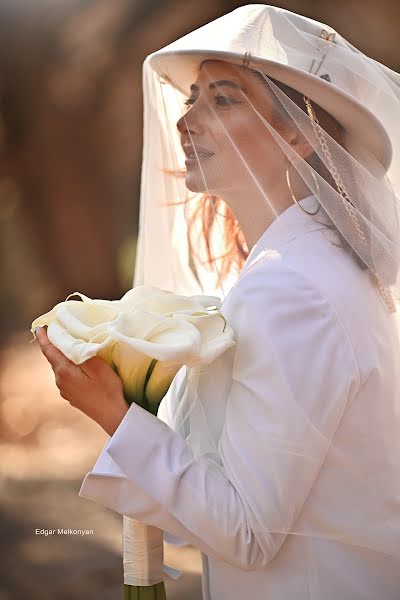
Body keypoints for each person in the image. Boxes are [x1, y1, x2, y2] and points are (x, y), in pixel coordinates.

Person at [36, 5, 400, 599]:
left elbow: (246, 531)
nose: (188, 121)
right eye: (193, 98)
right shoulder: (303, 265)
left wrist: (113, 415)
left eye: (224, 99)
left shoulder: (292, 290)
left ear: (298, 134)